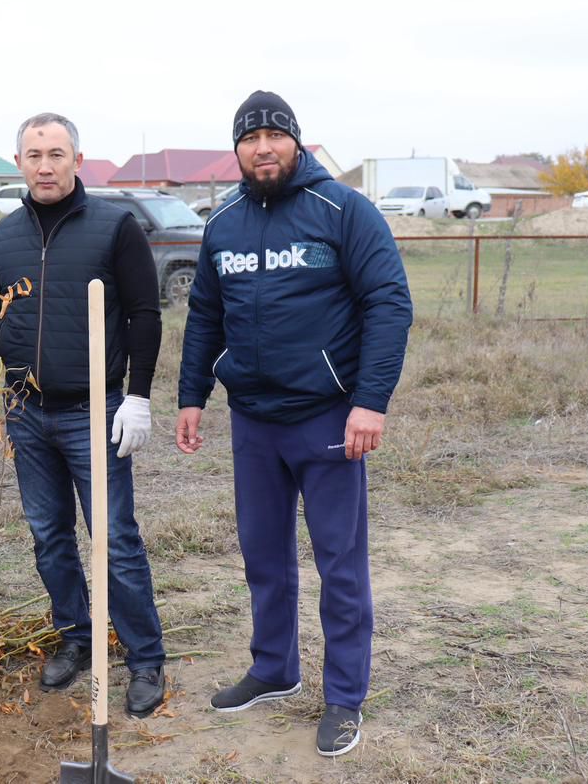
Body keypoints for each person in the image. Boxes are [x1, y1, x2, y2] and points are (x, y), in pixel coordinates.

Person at [175, 91, 413, 756]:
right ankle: (274, 667)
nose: (262, 148)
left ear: (296, 142)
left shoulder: (343, 211)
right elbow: (202, 315)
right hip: (253, 420)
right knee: (263, 554)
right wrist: (191, 395)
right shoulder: (223, 224)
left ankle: (344, 697)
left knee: (340, 563)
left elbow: (389, 303)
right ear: (238, 151)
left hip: (328, 417)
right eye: (250, 139)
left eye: (274, 135)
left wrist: (371, 400)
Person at [0, 113, 167, 718]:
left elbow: (143, 313)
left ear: (77, 160)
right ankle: (76, 638)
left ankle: (144, 659)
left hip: (95, 409)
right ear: (19, 163)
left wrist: (138, 395)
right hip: (26, 412)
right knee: (49, 535)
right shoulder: (3, 237)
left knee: (113, 537)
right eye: (34, 155)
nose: (46, 165)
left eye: (57, 154)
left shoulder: (114, 226)